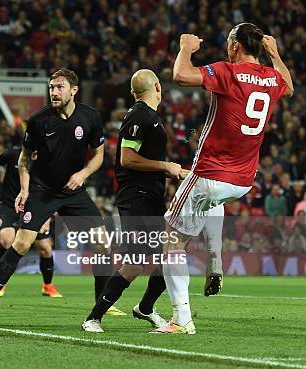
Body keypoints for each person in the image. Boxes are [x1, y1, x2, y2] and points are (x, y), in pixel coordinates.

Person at [157, 23, 293, 334]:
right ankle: (215, 258)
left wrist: (186, 49)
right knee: (211, 201)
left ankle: (181, 320)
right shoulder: (272, 78)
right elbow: (290, 85)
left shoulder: (228, 72)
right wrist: (275, 54)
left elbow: (181, 75)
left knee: (171, 240)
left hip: (210, 172)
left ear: (234, 47)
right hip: (243, 181)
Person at [0, 68, 113, 319]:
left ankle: (101, 307)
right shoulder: (39, 120)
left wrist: (82, 174)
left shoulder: (90, 117)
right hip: (42, 191)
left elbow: (99, 156)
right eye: (51, 87)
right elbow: (25, 158)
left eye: (60, 87)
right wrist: (25, 189)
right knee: (21, 242)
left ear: (74, 90)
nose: (54, 92)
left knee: (102, 243)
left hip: (73, 191)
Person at [82, 69, 188, 332]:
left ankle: (145, 308)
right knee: (137, 262)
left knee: (171, 255)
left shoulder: (149, 116)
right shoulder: (139, 116)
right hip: (136, 197)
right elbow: (127, 159)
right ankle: (93, 318)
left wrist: (169, 172)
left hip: (151, 196)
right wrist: (166, 166)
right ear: (157, 87)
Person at [0, 147, 62, 298]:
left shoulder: (47, 161)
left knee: (45, 248)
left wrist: (46, 217)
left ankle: (48, 286)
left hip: (32, 207)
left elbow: (49, 191)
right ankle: (1, 282)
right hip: (9, 205)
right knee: (7, 240)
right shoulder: (13, 154)